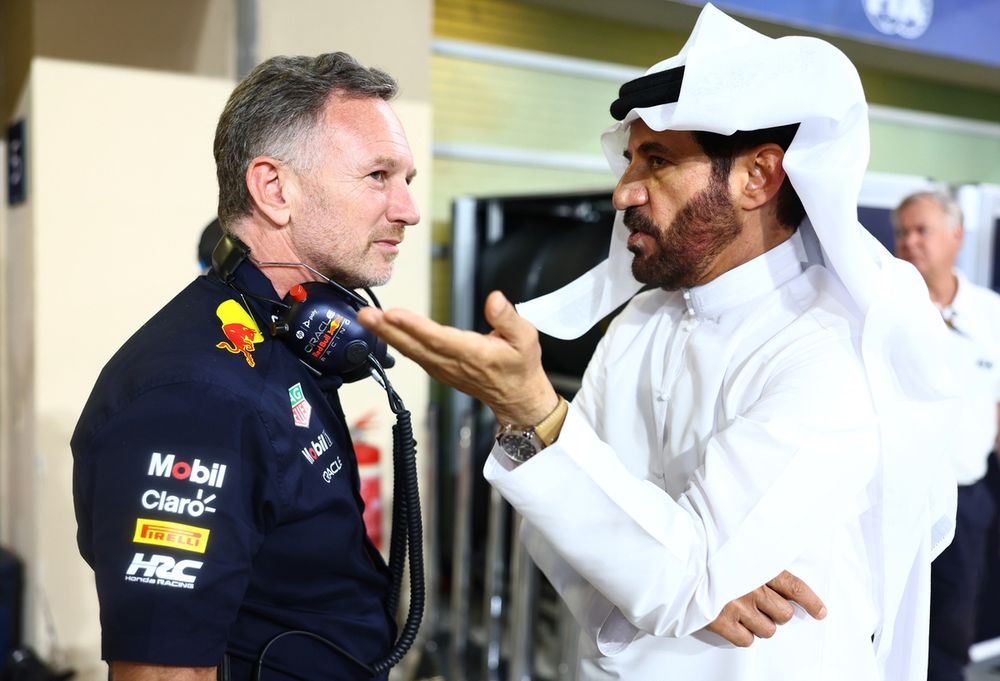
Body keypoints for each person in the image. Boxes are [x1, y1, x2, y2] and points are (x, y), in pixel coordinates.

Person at [359, 5, 959, 680]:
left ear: (758, 177)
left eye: (658, 160)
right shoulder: (640, 323)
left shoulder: (826, 351)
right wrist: (681, 585)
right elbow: (558, 535)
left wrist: (543, 419)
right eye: (629, 158)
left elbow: (669, 565)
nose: (623, 192)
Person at [71, 52, 420, 681]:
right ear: (274, 189)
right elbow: (161, 673)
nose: (407, 209)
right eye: (378, 175)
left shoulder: (282, 334)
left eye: (407, 180)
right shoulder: (195, 397)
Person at [893, 190, 1000, 681]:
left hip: (968, 497)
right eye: (902, 232)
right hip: (894, 494)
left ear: (956, 235)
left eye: (922, 230)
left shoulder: (990, 313)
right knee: (887, 618)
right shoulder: (886, 309)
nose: (910, 241)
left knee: (953, 618)